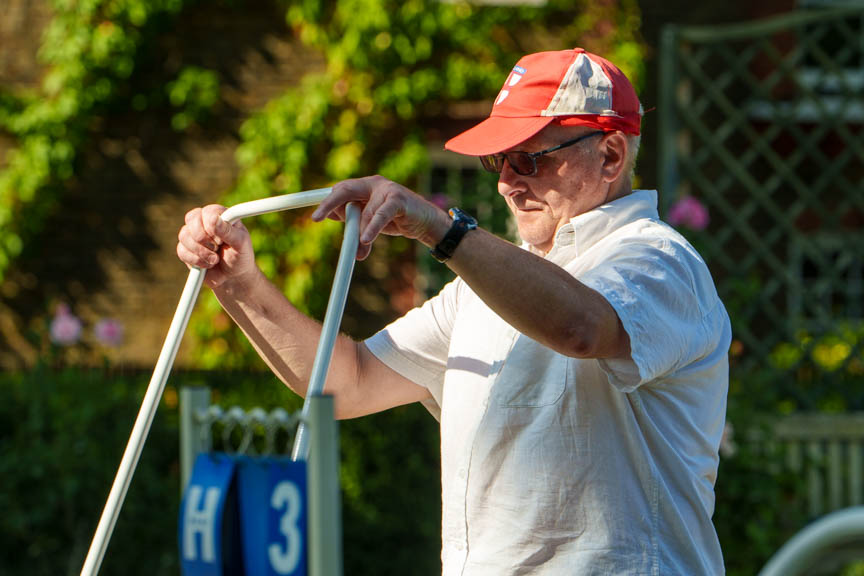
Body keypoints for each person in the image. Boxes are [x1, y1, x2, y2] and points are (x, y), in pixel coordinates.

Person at [177, 47, 731, 575]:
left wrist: (440, 229)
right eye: (498, 159)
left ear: (609, 155)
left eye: (528, 158)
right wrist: (240, 283)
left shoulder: (658, 260)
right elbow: (344, 383)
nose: (507, 183)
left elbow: (581, 327)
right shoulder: (485, 287)